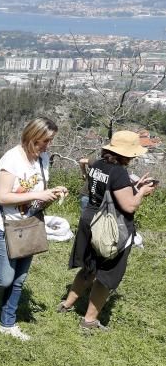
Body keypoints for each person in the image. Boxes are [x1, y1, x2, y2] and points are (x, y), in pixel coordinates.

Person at [0, 117, 68, 341]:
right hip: (4, 225)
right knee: (4, 278)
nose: (47, 146)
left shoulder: (42, 159)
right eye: (45, 141)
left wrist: (51, 194)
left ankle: (7, 323)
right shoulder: (11, 159)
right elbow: (3, 197)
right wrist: (37, 194)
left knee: (19, 279)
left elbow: (37, 198)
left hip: (29, 224)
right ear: (32, 137)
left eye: (50, 141)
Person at [58, 131, 158, 329]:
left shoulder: (97, 164)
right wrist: (142, 192)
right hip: (110, 228)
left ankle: (66, 304)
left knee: (89, 267)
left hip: (90, 219)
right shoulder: (119, 172)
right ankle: (89, 321)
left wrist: (134, 187)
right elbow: (129, 206)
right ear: (127, 154)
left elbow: (107, 191)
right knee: (107, 275)